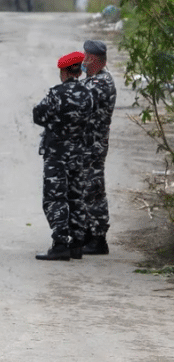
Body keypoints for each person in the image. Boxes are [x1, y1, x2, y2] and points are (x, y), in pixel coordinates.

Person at [32, 51, 94, 261]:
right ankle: (77, 244)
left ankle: (60, 244)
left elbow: (38, 115)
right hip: (78, 154)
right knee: (76, 197)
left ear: (65, 71)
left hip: (57, 155)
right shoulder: (87, 94)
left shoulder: (56, 94)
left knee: (54, 198)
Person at [81, 39, 116, 255]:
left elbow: (79, 103)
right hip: (88, 145)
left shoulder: (101, 83)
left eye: (85, 58)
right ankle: (87, 233)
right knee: (86, 189)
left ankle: (98, 238)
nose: (82, 61)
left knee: (93, 190)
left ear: (93, 60)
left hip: (93, 146)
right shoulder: (94, 79)